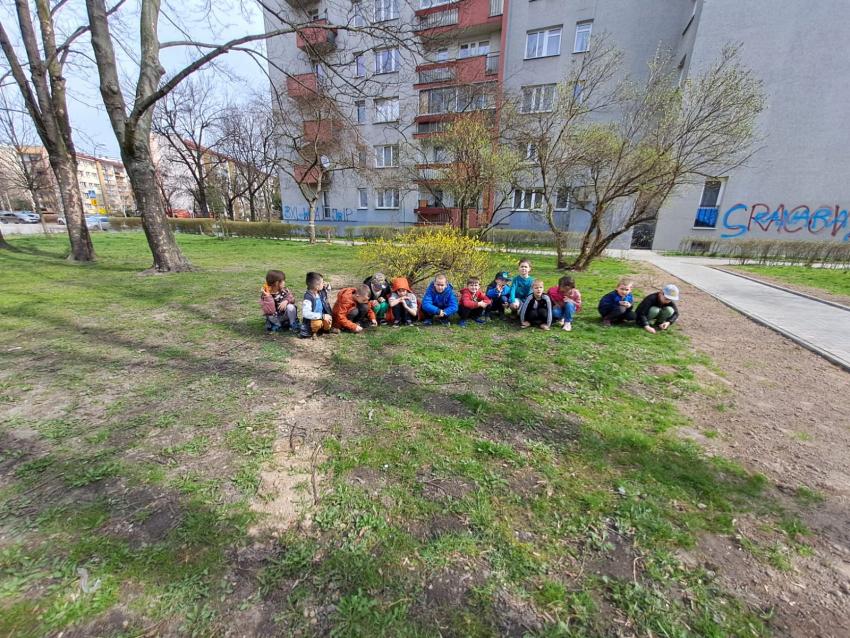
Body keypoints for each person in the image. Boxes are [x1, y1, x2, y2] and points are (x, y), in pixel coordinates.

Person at [299, 272, 336, 338]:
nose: (323, 284)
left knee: (328, 320)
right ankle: (314, 332)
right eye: (322, 282)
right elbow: (306, 313)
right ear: (317, 286)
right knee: (317, 323)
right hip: (313, 319)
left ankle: (326, 329)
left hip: (322, 316)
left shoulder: (320, 291)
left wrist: (328, 285)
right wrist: (322, 316)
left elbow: (328, 289)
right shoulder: (308, 297)